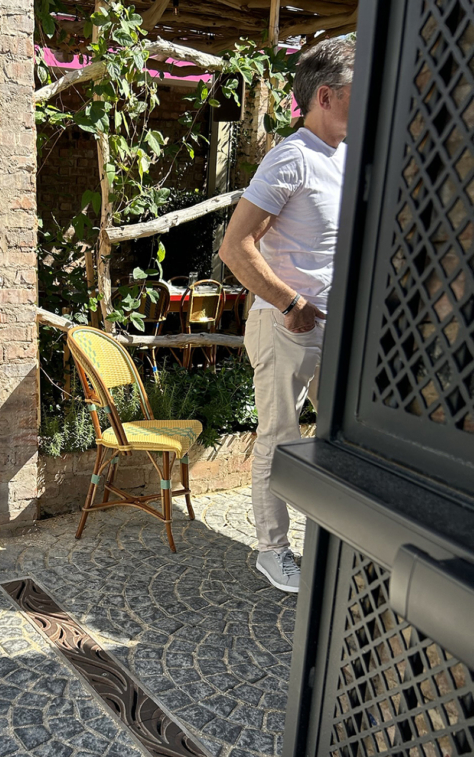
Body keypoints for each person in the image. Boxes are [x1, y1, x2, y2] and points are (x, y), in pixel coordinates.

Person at [219, 39, 354, 594]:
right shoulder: (292, 156)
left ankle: (334, 539)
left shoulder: (346, 154)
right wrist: (291, 304)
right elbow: (235, 246)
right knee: (279, 436)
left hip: (338, 330)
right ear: (325, 96)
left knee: (344, 438)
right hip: (287, 326)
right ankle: (272, 551)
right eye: (355, 91)